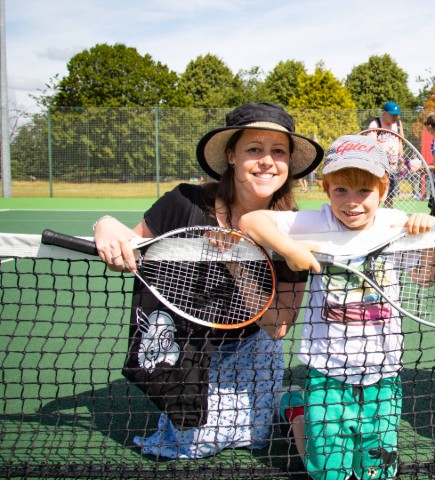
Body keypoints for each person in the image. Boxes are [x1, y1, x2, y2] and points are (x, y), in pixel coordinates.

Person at [92, 102, 323, 459]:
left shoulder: (292, 229)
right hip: (188, 348)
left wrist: (236, 261)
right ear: (232, 155)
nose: (267, 161)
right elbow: (132, 247)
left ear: (289, 164)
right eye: (254, 150)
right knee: (190, 445)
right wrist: (104, 223)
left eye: (278, 152)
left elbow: (278, 328)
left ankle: (286, 402)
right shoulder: (184, 203)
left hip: (252, 347)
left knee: (254, 440)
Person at [239, 134, 435, 480]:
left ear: (382, 187)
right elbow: (252, 221)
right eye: (341, 190)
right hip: (326, 371)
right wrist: (291, 250)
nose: (352, 203)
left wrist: (426, 237)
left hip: (383, 373)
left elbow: (424, 278)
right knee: (326, 475)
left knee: (377, 477)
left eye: (364, 191)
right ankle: (297, 410)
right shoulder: (316, 222)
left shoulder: (395, 223)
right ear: (325, 187)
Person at [367, 101, 404, 208]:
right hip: (379, 166)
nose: (395, 117)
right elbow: (371, 146)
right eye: (392, 114)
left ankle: (388, 213)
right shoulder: (375, 124)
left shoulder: (397, 124)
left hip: (392, 166)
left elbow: (400, 141)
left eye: (396, 115)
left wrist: (401, 158)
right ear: (385, 113)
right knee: (377, 192)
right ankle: (374, 212)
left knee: (390, 194)